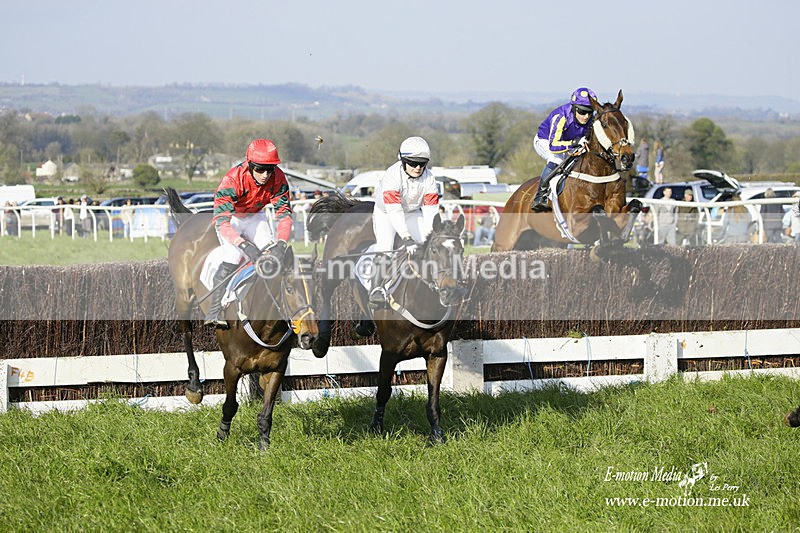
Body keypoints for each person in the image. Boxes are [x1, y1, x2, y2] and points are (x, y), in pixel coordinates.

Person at [205, 138, 293, 327]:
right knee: (234, 257)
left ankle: (276, 307)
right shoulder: (232, 179)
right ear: (249, 165)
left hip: (255, 216)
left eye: (269, 170)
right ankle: (213, 310)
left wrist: (281, 243)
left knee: (272, 258)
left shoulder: (278, 178)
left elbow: (284, 215)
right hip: (231, 220)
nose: (265, 175)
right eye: (260, 169)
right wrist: (244, 244)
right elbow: (221, 221)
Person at [369, 136, 439, 307]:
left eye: (422, 163)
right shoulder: (392, 176)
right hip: (386, 213)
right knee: (385, 248)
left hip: (412, 212)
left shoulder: (429, 179)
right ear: (403, 160)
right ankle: (376, 290)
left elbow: (431, 212)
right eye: (413, 163)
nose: (418, 168)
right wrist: (406, 237)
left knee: (429, 244)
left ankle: (435, 285)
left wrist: (432, 237)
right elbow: (394, 211)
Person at [530, 87, 597, 211]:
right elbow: (554, 146)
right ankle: (540, 196)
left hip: (569, 143)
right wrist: (573, 144)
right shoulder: (561, 116)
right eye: (582, 112)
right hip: (545, 141)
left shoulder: (592, 119)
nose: (586, 116)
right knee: (556, 159)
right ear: (574, 108)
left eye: (590, 112)